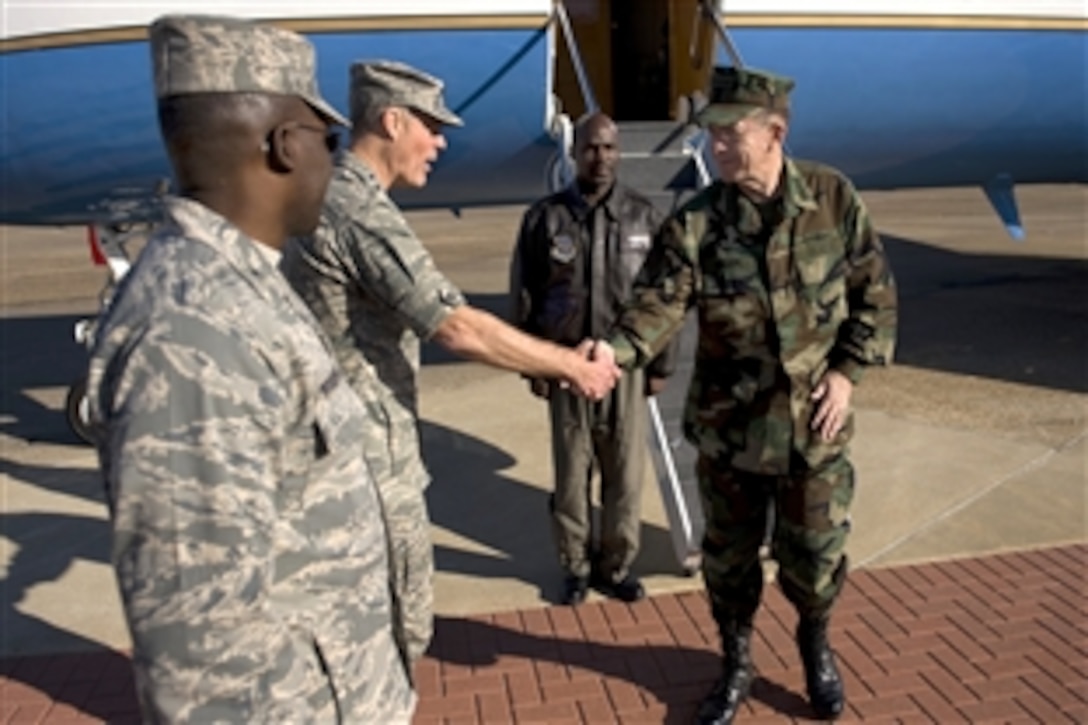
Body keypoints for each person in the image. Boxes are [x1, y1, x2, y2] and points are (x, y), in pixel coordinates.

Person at [87, 15, 413, 722]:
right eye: (327, 141)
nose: (336, 161)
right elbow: (201, 665)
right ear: (286, 145)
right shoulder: (190, 339)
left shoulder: (242, 287)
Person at [281, 60, 620, 668]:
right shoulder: (356, 208)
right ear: (391, 120)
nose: (440, 142)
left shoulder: (328, 193)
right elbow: (455, 326)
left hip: (333, 453)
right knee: (390, 640)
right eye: (430, 126)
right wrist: (572, 367)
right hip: (365, 468)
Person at [601, 66, 898, 723]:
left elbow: (874, 298)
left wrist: (847, 374)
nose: (716, 148)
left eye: (731, 135)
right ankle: (736, 663)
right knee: (729, 566)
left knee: (816, 559)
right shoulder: (698, 223)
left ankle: (815, 641)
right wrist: (610, 353)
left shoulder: (832, 198)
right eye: (712, 135)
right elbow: (656, 305)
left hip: (812, 432)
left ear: (775, 134)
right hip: (730, 431)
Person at [510, 112, 679, 606]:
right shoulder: (544, 218)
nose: (599, 157)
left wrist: (661, 365)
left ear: (618, 152)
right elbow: (524, 293)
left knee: (625, 476)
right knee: (571, 475)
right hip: (564, 367)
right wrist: (534, 363)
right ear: (573, 153)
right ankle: (575, 567)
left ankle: (617, 565)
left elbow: (664, 300)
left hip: (623, 369)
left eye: (608, 148)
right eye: (589, 148)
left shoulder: (644, 216)